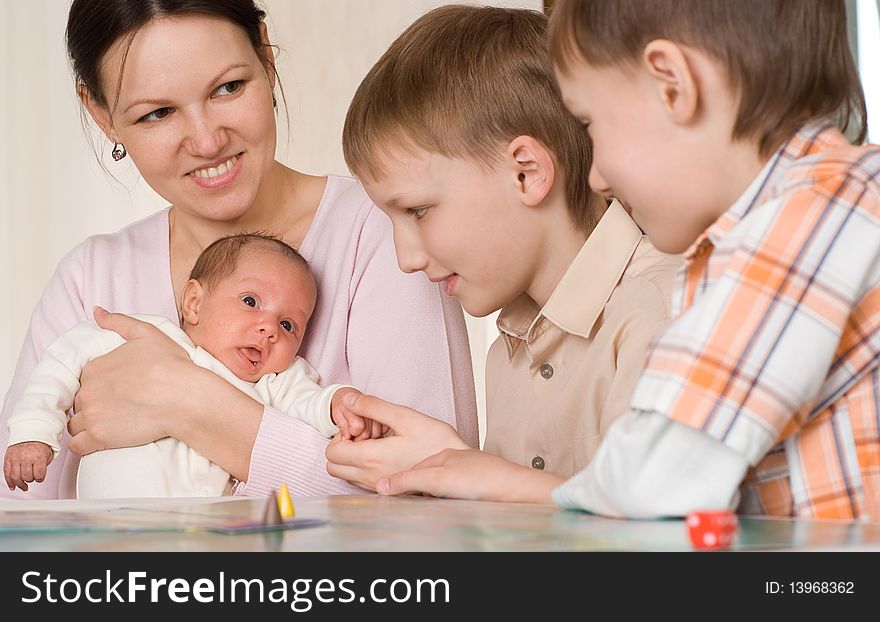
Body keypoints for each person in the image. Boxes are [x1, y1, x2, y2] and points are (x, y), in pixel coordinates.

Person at [375, 0, 880, 521]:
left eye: (591, 123)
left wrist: (500, 482)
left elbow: (659, 480)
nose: (597, 177)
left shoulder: (823, 209)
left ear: (672, 86)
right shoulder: (786, 226)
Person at [0, 0, 477, 500]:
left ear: (266, 56)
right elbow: (21, 518)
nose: (207, 141)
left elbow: (431, 504)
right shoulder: (91, 280)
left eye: (228, 87)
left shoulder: (382, 232)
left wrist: (189, 402)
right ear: (102, 115)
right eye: (158, 113)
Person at [325, 5, 679, 501]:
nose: (404, 258)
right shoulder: (507, 351)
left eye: (419, 212)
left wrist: (482, 477)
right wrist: (446, 465)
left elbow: (667, 533)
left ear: (527, 173)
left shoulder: (662, 312)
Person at [4, 233, 378, 497]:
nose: (269, 330)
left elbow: (308, 404)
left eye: (288, 325)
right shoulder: (141, 336)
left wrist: (338, 406)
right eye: (251, 301)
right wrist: (33, 433)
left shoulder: (275, 380)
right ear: (194, 303)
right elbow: (59, 365)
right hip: (111, 531)